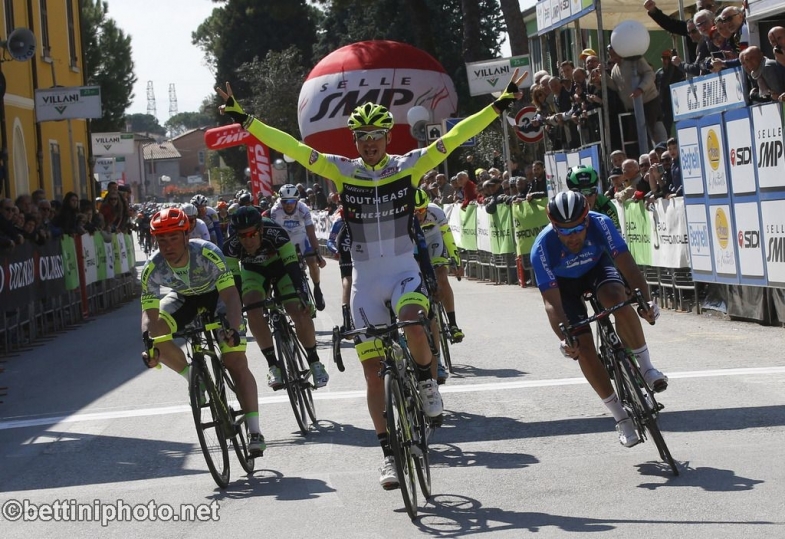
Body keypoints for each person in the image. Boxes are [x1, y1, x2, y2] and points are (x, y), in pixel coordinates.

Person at [217, 69, 526, 489]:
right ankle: (387, 454)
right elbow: (291, 144)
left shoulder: (409, 166)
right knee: (372, 372)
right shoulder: (343, 170)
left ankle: (426, 384)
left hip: (401, 271)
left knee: (415, 323)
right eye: (361, 136)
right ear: (356, 142)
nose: (369, 142)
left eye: (376, 134)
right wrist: (246, 120)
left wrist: (499, 105)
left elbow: (451, 139)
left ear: (387, 136)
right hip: (365, 279)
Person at [531, 191, 668, 448]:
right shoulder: (542, 247)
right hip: (564, 286)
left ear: (587, 220)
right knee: (581, 347)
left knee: (618, 298)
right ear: (554, 226)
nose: (573, 236)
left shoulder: (601, 223)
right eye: (564, 231)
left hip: (597, 268)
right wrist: (565, 338)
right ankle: (620, 417)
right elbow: (551, 302)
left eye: (579, 228)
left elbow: (630, 268)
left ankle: (647, 367)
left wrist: (645, 303)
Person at [139, 206, 266, 456]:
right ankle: (193, 379)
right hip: (184, 299)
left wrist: (230, 326)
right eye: (161, 240)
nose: (167, 246)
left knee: (235, 361)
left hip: (217, 297)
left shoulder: (207, 253)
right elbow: (149, 311)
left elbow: (230, 295)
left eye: (174, 238)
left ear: (187, 235)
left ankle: (255, 431)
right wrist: (149, 343)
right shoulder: (152, 268)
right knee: (156, 334)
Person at [222, 206, 329, 391]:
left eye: (252, 234)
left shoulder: (276, 233)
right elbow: (235, 284)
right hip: (254, 272)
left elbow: (292, 266)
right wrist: (237, 311)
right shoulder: (230, 246)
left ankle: (314, 361)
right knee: (251, 307)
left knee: (297, 309)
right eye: (242, 236)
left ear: (261, 229)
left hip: (281, 267)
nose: (248, 240)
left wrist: (301, 293)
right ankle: (273, 364)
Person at [413, 189, 464, 384]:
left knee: (442, 274)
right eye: (414, 211)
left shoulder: (436, 213)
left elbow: (448, 238)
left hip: (434, 239)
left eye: (421, 210)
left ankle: (452, 323)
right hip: (416, 243)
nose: (419, 214)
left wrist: (457, 261)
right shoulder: (405, 217)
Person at [267, 184, 327, 311]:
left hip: (301, 236)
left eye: (291, 201)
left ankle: (317, 287)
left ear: (297, 201)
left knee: (312, 261)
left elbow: (311, 233)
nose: (288, 205)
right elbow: (274, 234)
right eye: (285, 201)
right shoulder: (275, 210)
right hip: (284, 238)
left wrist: (317, 254)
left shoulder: (303, 209)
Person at [565, 165, 620, 231]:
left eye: (590, 192)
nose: (586, 198)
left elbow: (616, 236)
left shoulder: (606, 206)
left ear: (596, 193)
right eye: (580, 194)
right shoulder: (564, 207)